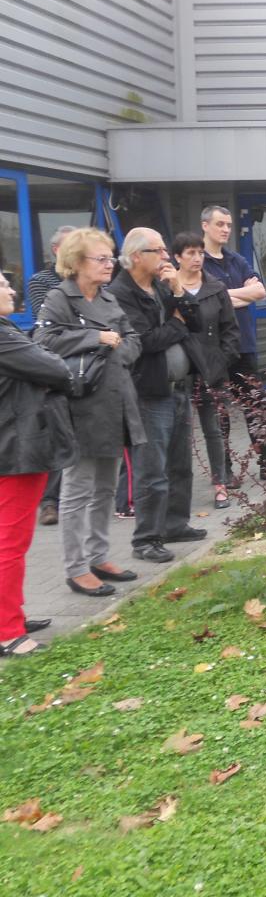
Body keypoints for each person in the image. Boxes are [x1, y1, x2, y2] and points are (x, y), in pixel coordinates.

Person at [34, 228, 144, 597]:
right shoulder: (59, 298)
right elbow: (43, 341)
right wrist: (95, 338)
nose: (109, 264)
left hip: (116, 403)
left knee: (106, 488)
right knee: (77, 490)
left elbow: (133, 339)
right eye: (102, 259)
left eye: (111, 258)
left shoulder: (110, 298)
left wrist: (119, 351)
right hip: (80, 406)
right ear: (76, 262)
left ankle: (98, 556)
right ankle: (75, 567)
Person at [107, 228, 208, 564]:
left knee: (180, 465)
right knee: (153, 470)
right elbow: (146, 341)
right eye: (159, 250)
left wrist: (179, 291)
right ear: (137, 256)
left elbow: (196, 322)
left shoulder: (162, 286)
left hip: (178, 387)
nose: (166, 256)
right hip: (149, 391)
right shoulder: (121, 293)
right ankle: (146, 538)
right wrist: (177, 324)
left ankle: (175, 524)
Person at [0, 270, 77, 655]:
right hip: (15, 449)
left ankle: (10, 614)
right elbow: (57, 367)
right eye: (2, 284)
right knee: (10, 542)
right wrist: (48, 367)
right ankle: (8, 632)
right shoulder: (2, 336)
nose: (12, 288)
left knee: (13, 538)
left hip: (17, 444)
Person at [200, 205, 266, 483]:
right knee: (220, 413)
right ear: (205, 225)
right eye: (220, 224)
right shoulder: (197, 262)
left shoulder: (236, 259)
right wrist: (239, 296)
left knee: (257, 408)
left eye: (228, 225)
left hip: (243, 345)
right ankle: (225, 471)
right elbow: (200, 297)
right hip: (213, 349)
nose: (225, 229)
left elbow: (260, 291)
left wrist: (221, 295)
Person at [171, 231, 240, 509]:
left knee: (214, 429)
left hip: (211, 368)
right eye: (190, 253)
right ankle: (177, 492)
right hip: (179, 370)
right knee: (179, 432)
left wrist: (221, 360)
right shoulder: (167, 288)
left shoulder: (216, 287)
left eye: (200, 252)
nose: (197, 258)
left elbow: (230, 330)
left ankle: (221, 484)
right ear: (177, 257)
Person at [26, 225, 78, 527]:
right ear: (58, 250)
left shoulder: (90, 282)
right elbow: (51, 322)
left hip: (86, 367)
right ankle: (49, 501)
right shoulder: (41, 281)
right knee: (59, 431)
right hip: (53, 364)